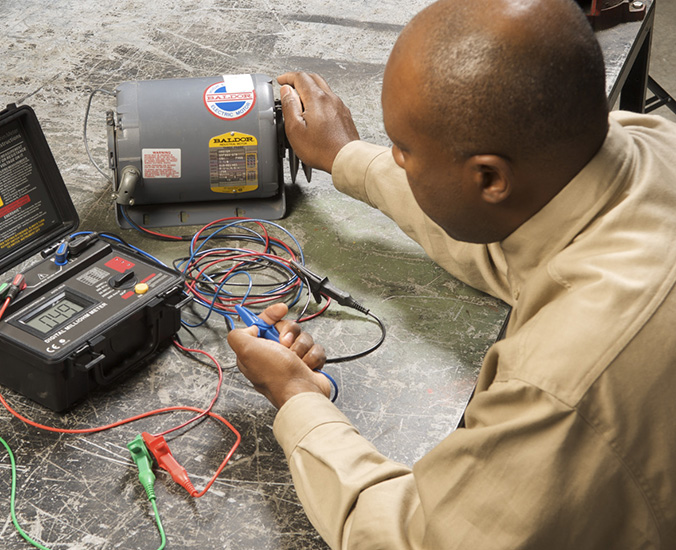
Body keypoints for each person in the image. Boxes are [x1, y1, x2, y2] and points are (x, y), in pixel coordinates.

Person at [226, 0, 676, 547]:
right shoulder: (644, 143)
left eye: (404, 150)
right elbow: (509, 243)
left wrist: (297, 397)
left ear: (489, 178)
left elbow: (418, 539)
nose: (395, 159)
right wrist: (347, 157)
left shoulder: (559, 384)